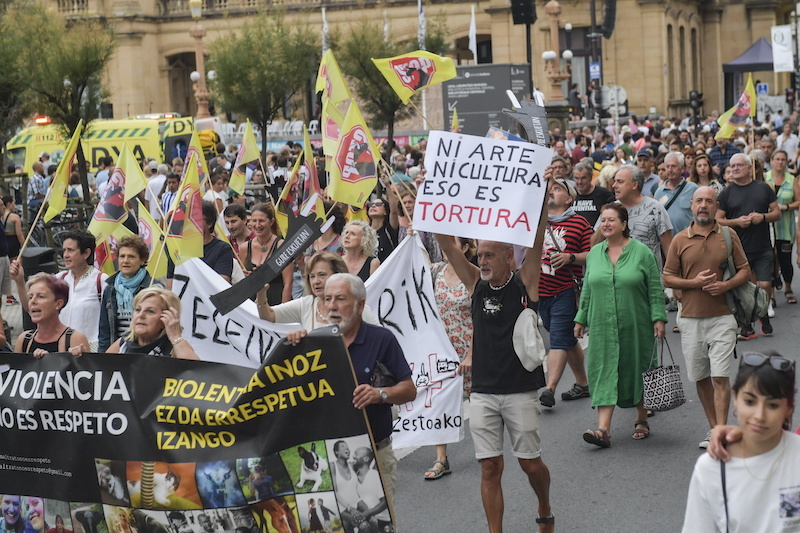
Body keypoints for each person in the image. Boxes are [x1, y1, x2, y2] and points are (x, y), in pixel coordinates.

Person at [433, 182, 554, 531]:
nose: (480, 261)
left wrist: (541, 198)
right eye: (479, 255)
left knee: (530, 465)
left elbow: (537, 237)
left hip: (520, 389)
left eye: (488, 255)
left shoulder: (524, 282)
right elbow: (444, 242)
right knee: (490, 467)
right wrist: (432, 194)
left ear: (508, 258)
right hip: (483, 391)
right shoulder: (475, 283)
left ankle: (544, 506)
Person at [286, 274, 416, 523]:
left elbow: (409, 390)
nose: (332, 306)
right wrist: (293, 346)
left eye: (340, 299)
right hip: (331, 461)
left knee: (377, 526)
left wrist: (380, 394)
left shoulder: (381, 339)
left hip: (374, 455)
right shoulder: (313, 343)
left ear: (359, 304)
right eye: (327, 299)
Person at [662, 187, 751, 448]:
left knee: (720, 377)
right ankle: (713, 428)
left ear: (716, 206)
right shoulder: (679, 239)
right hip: (689, 318)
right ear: (691, 205)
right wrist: (694, 283)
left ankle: (721, 431)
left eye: (709, 201)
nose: (703, 205)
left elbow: (745, 271)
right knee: (700, 377)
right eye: (699, 201)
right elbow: (667, 277)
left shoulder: (728, 234)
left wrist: (725, 286)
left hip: (724, 316)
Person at [575, 203, 667, 447]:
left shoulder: (642, 253)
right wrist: (581, 318)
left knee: (636, 365)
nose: (605, 224)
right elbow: (587, 289)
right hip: (602, 323)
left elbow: (655, 288)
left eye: (611, 220)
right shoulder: (594, 253)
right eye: (603, 220)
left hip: (636, 321)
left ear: (624, 224)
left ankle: (641, 416)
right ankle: (603, 430)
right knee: (603, 368)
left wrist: (659, 318)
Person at [682, 352, 799, 532]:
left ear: (789, 409)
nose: (759, 416)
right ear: (735, 399)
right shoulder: (712, 468)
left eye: (773, 405)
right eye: (750, 401)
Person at [423, 237, 476, 481]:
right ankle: (441, 459)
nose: (446, 249)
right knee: (440, 403)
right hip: (442, 351)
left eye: (453, 244)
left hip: (469, 348)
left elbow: (480, 317)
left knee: (481, 402)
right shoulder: (435, 271)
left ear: (465, 248)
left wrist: (471, 354)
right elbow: (415, 264)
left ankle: (490, 450)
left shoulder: (473, 275)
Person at [538, 179, 592, 408]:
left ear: (569, 199)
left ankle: (550, 388)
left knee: (558, 339)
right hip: (541, 293)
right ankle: (583, 384)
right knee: (567, 339)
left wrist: (571, 257)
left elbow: (594, 253)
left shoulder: (579, 223)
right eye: (549, 189)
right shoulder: (537, 222)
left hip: (565, 291)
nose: (551, 191)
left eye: (557, 189)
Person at [716, 153, 781, 340]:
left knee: (765, 284)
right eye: (732, 165)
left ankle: (763, 314)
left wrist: (763, 217)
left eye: (739, 165)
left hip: (763, 247)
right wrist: (736, 222)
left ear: (749, 168)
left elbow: (777, 213)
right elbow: (718, 220)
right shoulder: (726, 192)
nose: (735, 168)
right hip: (738, 249)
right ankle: (747, 326)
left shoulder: (764, 188)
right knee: (745, 290)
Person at [12, 230, 108, 351]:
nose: (65, 255)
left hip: (90, 352)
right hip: (61, 350)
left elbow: (111, 321)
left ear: (86, 253)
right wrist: (19, 281)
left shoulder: (101, 281)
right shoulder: (59, 279)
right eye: (64, 250)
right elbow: (31, 308)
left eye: (71, 250)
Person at [257, 251, 378, 328]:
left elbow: (380, 340)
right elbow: (269, 315)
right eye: (312, 276)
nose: (316, 281)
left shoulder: (357, 308)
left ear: (338, 274)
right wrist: (261, 293)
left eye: (322, 275)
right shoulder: (305, 304)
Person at [98, 236, 160, 352]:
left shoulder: (153, 288)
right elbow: (104, 331)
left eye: (131, 257)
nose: (125, 261)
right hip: (117, 352)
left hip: (145, 352)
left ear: (142, 260)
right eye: (122, 256)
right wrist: (102, 359)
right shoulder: (110, 289)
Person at [105, 288, 198, 357]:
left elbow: (197, 373)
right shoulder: (123, 344)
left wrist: (176, 337)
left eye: (150, 311)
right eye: (138, 310)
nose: (141, 315)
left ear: (166, 318)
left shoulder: (174, 349)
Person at [14, 273, 88, 357]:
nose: (33, 301)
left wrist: (52, 361)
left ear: (58, 304)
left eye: (41, 296)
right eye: (30, 297)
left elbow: (87, 369)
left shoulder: (75, 339)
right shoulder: (24, 340)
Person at [765, 150, 800, 305]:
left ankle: (788, 287)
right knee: (770, 260)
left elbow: (798, 202)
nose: (780, 162)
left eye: (783, 159)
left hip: (786, 228)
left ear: (786, 162)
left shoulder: (791, 180)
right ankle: (771, 294)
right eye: (777, 159)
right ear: (772, 161)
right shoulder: (765, 179)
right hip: (768, 229)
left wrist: (785, 207)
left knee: (785, 260)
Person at [242, 202, 293, 305]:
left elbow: (288, 283)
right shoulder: (245, 248)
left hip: (277, 302)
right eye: (254, 221)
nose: (257, 225)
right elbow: (241, 281)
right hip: (253, 304)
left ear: (271, 222)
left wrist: (284, 310)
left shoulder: (282, 246)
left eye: (261, 221)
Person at [654, 152, 698, 236]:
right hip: (667, 241)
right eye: (667, 167)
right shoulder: (659, 192)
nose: (670, 170)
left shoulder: (693, 189)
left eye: (674, 166)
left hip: (689, 238)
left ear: (682, 169)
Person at [571, 161, 615, 227]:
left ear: (590, 178)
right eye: (577, 178)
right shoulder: (570, 194)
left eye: (583, 178)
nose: (579, 182)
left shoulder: (604, 194)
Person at [199, 201, 234, 282]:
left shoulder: (222, 249)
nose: (192, 223)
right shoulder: (179, 250)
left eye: (197, 219)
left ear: (209, 223)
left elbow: (222, 282)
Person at [367, 197, 397, 263]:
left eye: (378, 204)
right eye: (371, 204)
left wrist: (388, 187)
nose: (373, 206)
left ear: (385, 211)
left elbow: (394, 211)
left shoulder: (389, 230)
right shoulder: (363, 231)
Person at [2, 197, 22, 266]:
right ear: (9, 204)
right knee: (15, 265)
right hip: (13, 242)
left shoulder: (1, 216)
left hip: (4, 241)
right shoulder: (15, 217)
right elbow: (19, 235)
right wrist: (24, 246)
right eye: (14, 203)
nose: (15, 205)